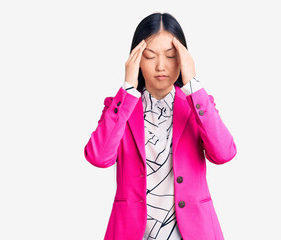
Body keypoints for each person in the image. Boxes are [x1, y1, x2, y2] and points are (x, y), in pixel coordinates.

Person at [84, 12, 237, 240]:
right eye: (149, 56)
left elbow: (224, 153)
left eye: (171, 56)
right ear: (135, 59)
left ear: (183, 58)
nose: (160, 66)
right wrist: (127, 89)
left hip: (194, 232)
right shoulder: (121, 108)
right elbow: (98, 157)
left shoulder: (197, 105)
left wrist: (193, 85)